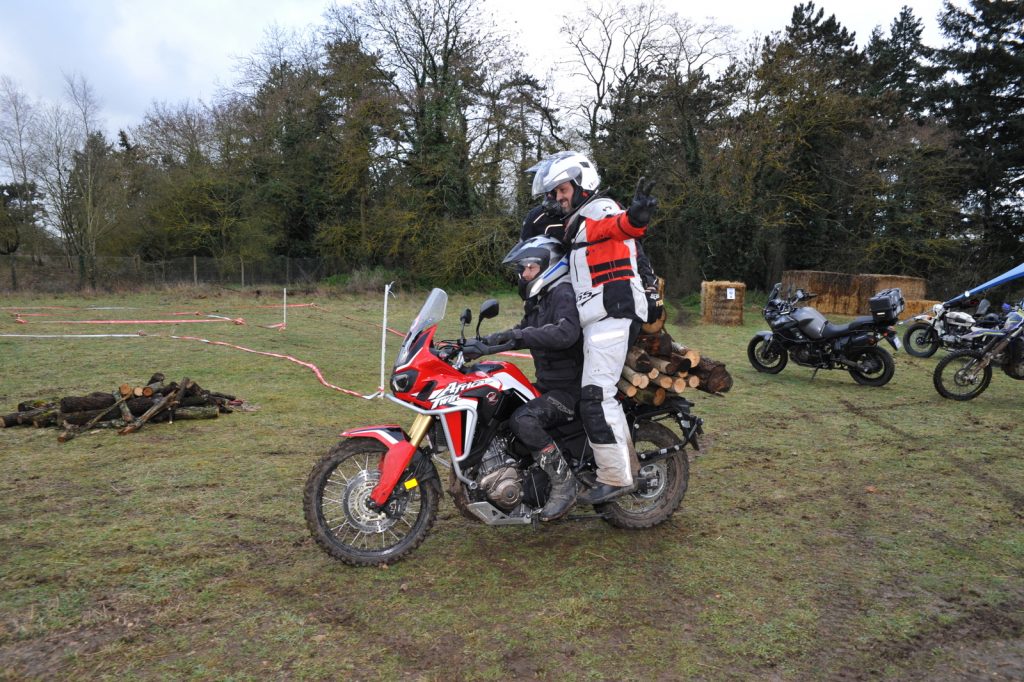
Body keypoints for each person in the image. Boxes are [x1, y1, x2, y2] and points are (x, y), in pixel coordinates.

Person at [526, 151, 658, 505]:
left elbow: (619, 227)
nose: (558, 197)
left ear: (582, 183)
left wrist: (636, 216)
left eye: (562, 189)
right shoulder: (578, 221)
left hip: (613, 313)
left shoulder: (599, 210)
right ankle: (614, 464)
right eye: (554, 193)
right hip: (599, 318)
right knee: (591, 396)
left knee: (597, 397)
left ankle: (616, 476)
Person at [472, 235, 583, 521]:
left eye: (529, 268)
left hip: (569, 391)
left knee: (524, 419)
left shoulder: (563, 294)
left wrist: (518, 336)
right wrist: (485, 343)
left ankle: (564, 483)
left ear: (550, 265)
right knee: (501, 408)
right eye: (523, 269)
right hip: (547, 385)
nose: (523, 275)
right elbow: (521, 331)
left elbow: (566, 332)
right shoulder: (540, 301)